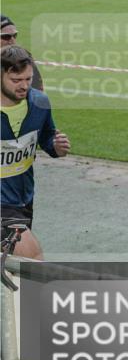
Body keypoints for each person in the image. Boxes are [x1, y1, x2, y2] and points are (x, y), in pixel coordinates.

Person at [1, 45, 70, 259]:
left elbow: (47, 136)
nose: (24, 86)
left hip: (23, 198)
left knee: (12, 264)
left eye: (28, 79)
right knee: (32, 259)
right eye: (16, 80)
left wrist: (56, 147)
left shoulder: (39, 102)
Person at [1, 15, 43, 90]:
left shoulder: (24, 57)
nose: (12, 40)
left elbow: (37, 88)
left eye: (14, 35)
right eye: (6, 36)